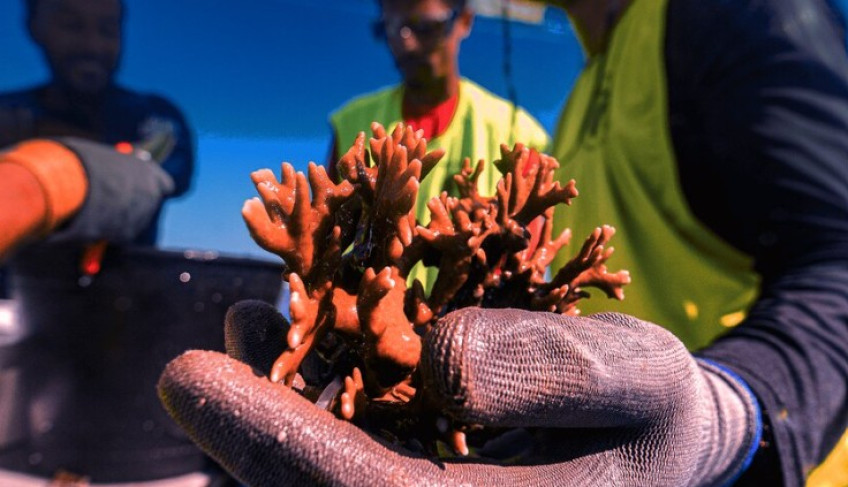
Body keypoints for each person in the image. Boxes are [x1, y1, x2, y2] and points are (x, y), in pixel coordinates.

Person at [156, 0, 848, 486]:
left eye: (424, 23)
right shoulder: (583, 89)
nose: (407, 39)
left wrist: (727, 419)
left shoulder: (730, 13)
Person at [328, 0, 550, 290]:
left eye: (425, 25)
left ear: (464, 21)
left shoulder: (518, 132)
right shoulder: (351, 124)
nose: (405, 43)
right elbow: (325, 240)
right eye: (391, 28)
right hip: (362, 327)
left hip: (477, 332)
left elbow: (526, 268)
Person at [0, 0, 195, 298]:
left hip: (119, 316)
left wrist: (34, 182)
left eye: (107, 29)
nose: (91, 44)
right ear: (34, 27)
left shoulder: (155, 120)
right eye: (71, 25)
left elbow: (143, 176)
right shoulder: (8, 110)